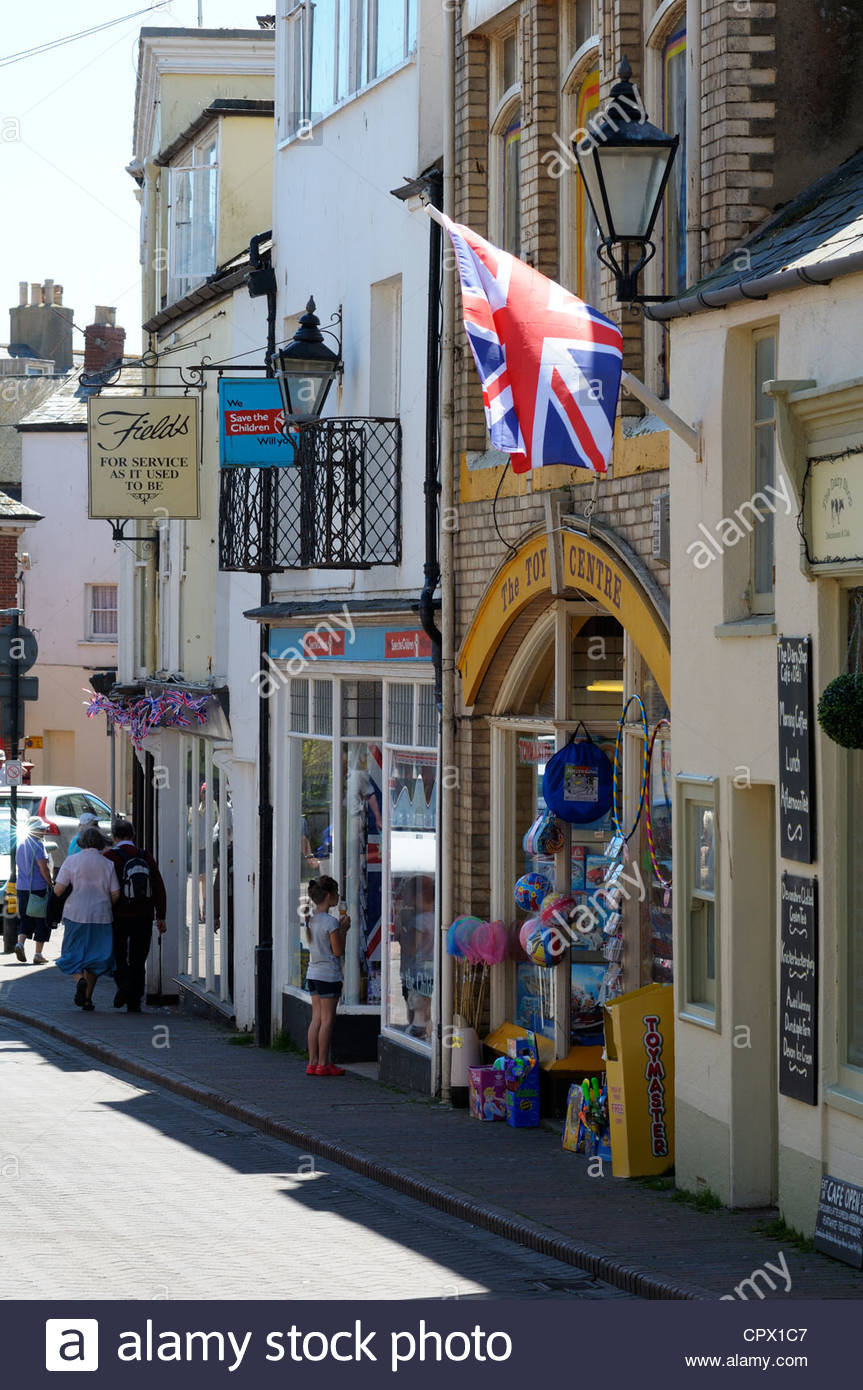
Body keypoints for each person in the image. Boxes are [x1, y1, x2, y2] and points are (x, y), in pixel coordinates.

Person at [102, 818, 166, 1013]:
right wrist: (161, 915)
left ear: (114, 837)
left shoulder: (109, 857)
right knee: (139, 958)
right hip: (144, 914)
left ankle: (124, 986)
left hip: (118, 915)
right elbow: (158, 886)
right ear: (133, 836)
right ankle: (135, 1001)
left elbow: (103, 886)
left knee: (119, 955)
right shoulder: (145, 855)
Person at [54, 827, 119, 1010]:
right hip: (101, 915)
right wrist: (107, 903)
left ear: (81, 842)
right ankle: (88, 999)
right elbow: (115, 893)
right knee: (96, 957)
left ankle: (79, 979)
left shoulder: (71, 861)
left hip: (75, 913)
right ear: (100, 842)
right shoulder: (107, 864)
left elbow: (59, 890)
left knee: (71, 953)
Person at [304, 875, 350, 1077]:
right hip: (328, 976)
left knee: (316, 1019)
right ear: (329, 895)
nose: (339, 896)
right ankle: (324, 1063)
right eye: (337, 892)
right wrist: (344, 930)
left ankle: (312, 1062)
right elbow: (338, 951)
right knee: (328, 1020)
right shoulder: (331, 923)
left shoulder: (311, 919)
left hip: (313, 973)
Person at [14, 816, 54, 964]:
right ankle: (38, 954)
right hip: (38, 889)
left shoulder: (21, 844)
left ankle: (20, 944)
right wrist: (50, 884)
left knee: (25, 917)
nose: (44, 831)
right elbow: (43, 868)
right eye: (41, 829)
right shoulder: (38, 845)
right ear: (35, 831)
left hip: (22, 888)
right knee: (42, 920)